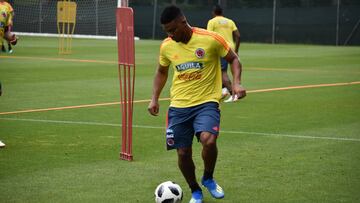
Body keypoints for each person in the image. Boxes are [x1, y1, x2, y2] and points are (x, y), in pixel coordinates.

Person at [148, 5, 246, 203]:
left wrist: (236, 83)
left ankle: (208, 178)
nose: (170, 34)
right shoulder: (167, 45)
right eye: (167, 31)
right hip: (178, 105)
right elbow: (161, 71)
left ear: (183, 22)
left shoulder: (210, 39)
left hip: (206, 102)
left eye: (173, 29)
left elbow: (234, 59)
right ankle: (195, 190)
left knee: (208, 141)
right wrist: (154, 98)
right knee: (183, 152)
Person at [207, 4, 241, 102]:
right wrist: (236, 50)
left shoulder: (212, 21)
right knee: (220, 71)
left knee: (222, 72)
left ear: (213, 12)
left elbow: (209, 36)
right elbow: (238, 36)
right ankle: (223, 89)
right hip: (231, 48)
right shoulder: (230, 21)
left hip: (220, 48)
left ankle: (233, 94)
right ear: (222, 13)